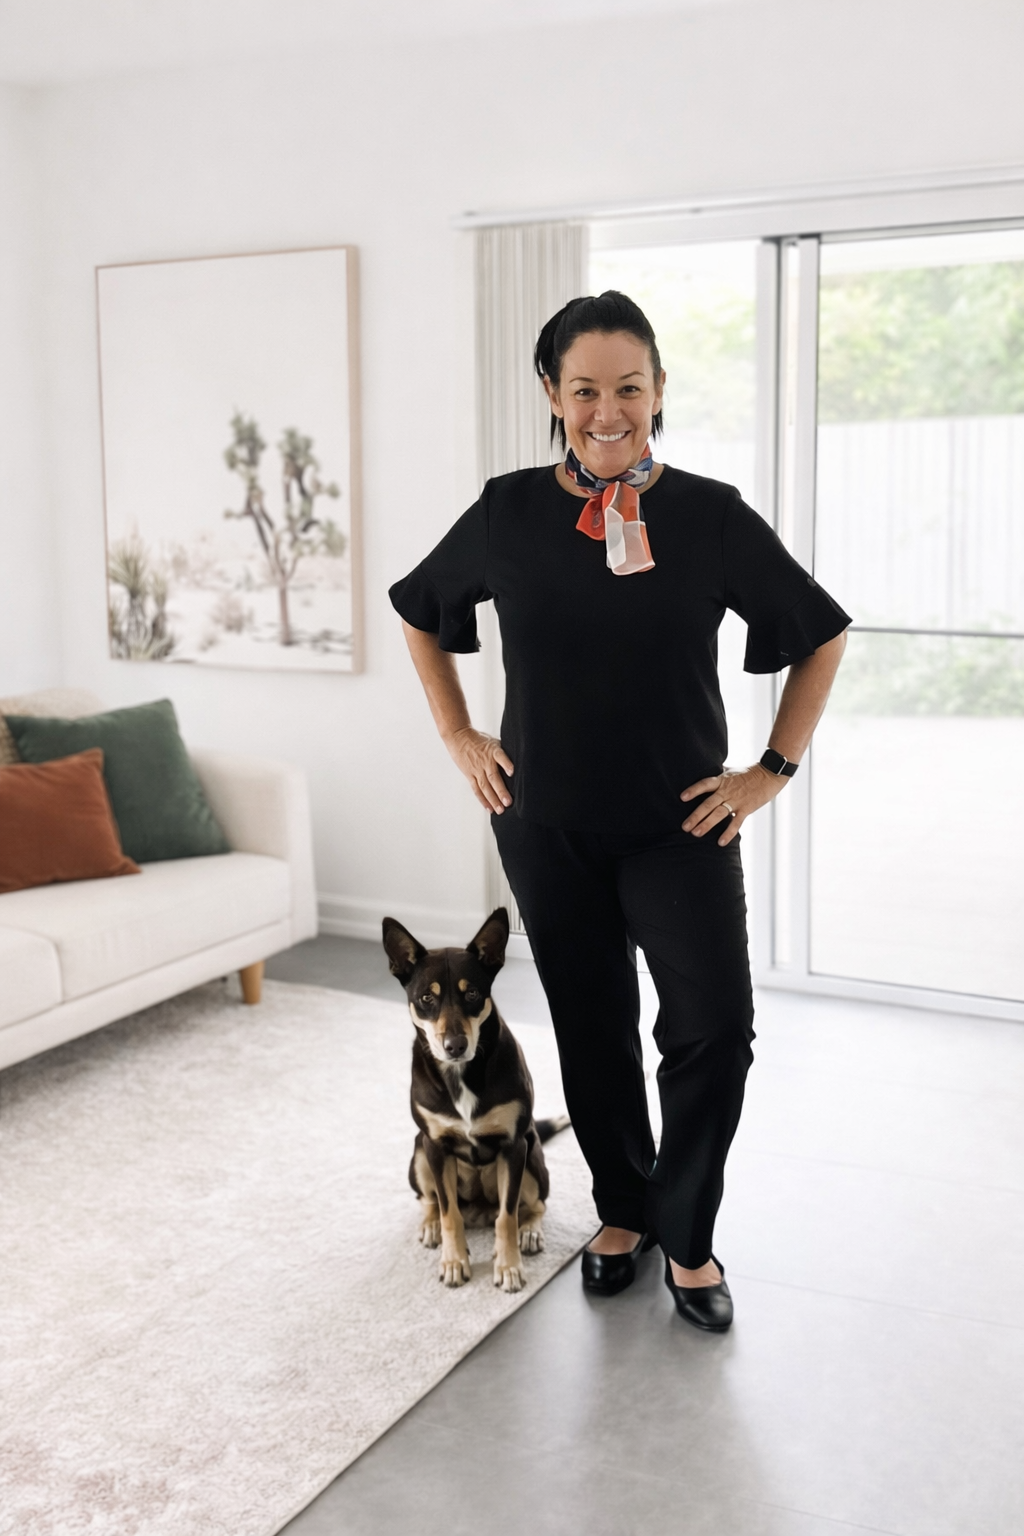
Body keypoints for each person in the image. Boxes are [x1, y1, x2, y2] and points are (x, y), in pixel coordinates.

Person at [389, 291, 850, 1331]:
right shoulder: (506, 511)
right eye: (585, 388)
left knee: (712, 1031)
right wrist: (459, 734)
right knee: (591, 1025)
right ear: (551, 394)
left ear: (658, 393)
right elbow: (422, 610)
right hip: (544, 821)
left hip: (680, 824)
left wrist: (770, 767)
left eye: (628, 388)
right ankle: (622, 1210)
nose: (608, 410)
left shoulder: (710, 514)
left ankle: (687, 1237)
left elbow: (818, 631)